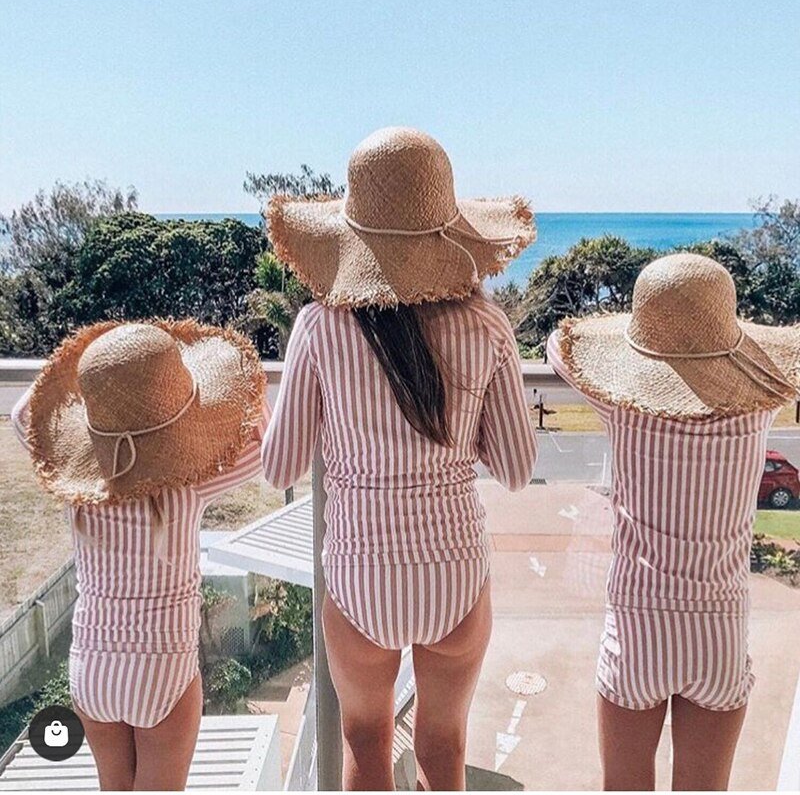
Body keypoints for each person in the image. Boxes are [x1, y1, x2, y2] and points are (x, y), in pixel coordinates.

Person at [261, 126, 539, 790]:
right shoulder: (484, 326)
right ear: (451, 237)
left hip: (360, 575)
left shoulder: (322, 329)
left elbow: (279, 467)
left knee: (364, 746)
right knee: (444, 751)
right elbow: (516, 467)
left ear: (349, 240)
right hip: (455, 569)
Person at [548, 253, 800, 791]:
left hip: (638, 627)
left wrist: (617, 340)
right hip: (720, 626)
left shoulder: (623, 407)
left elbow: (559, 350)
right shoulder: (758, 409)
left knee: (625, 785)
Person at [12, 319, 269, 791]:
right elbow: (261, 442)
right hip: (161, 663)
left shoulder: (80, 491)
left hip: (92, 664)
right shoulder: (187, 484)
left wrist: (89, 353)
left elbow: (26, 414)